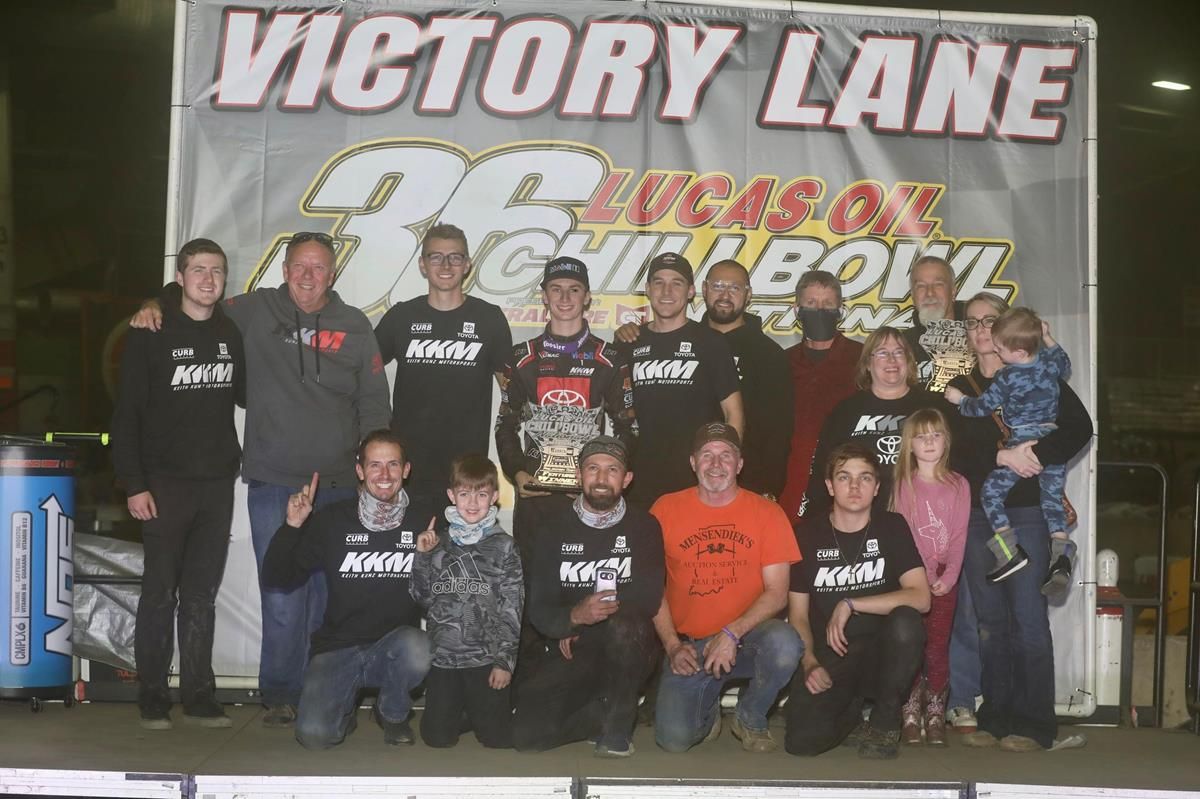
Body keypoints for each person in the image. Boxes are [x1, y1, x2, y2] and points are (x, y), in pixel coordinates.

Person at [131, 230, 391, 727]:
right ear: (285, 270)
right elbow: (197, 295)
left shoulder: (355, 325)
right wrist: (155, 301)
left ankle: (326, 693)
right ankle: (280, 693)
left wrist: (369, 470)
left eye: (318, 267)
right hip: (273, 480)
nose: (308, 275)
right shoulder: (254, 309)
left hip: (338, 484)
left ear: (332, 274)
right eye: (299, 266)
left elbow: (374, 403)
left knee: (328, 596)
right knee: (282, 594)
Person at [947, 292, 1092, 752]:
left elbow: (1079, 428)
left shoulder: (1039, 372)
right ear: (967, 335)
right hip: (975, 514)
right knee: (989, 621)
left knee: (1028, 619)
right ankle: (995, 716)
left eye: (992, 319)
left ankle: (1034, 725)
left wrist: (1030, 456)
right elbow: (948, 454)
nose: (983, 328)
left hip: (1028, 510)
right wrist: (998, 454)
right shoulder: (960, 387)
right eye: (972, 323)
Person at [111, 238, 245, 730]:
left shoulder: (232, 334)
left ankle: (199, 694)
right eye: (198, 270)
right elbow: (127, 414)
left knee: (200, 596)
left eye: (217, 271)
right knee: (159, 593)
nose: (208, 279)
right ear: (181, 278)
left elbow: (251, 395)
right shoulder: (152, 330)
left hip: (215, 484)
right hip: (163, 485)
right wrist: (134, 483)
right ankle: (151, 693)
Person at [262, 430, 433, 749]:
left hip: (393, 647)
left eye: (393, 465)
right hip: (337, 647)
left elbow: (440, 592)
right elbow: (278, 578)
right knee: (314, 736)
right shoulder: (332, 520)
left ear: (406, 470)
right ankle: (344, 708)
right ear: (359, 470)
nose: (384, 475)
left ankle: (393, 713)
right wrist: (292, 527)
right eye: (375, 465)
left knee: (419, 646)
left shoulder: (424, 520)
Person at [651, 422, 802, 754]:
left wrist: (732, 633)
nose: (716, 464)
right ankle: (707, 711)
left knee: (786, 643)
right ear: (693, 462)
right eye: (707, 455)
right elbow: (652, 589)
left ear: (740, 464)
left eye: (725, 455)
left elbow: (778, 592)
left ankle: (750, 715)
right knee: (673, 740)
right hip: (691, 647)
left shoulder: (767, 513)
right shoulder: (665, 509)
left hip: (749, 640)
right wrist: (673, 646)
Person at [512, 436, 664, 758]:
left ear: (627, 479)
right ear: (580, 476)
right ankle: (597, 716)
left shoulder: (645, 526)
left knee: (628, 627)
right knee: (526, 735)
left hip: (626, 648)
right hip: (570, 649)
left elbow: (649, 597)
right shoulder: (552, 528)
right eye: (593, 468)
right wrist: (572, 618)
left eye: (612, 470)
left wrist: (586, 623)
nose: (601, 478)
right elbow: (539, 605)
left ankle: (617, 730)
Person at [784, 443, 930, 760]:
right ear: (829, 486)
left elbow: (921, 597)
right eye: (844, 477)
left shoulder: (892, 527)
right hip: (834, 651)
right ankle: (850, 713)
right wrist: (808, 661)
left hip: (883, 652)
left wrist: (851, 603)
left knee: (907, 621)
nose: (854, 487)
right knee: (802, 742)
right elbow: (797, 615)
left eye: (864, 478)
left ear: (877, 487)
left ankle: (885, 718)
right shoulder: (806, 535)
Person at [495, 256, 635, 559]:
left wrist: (601, 477)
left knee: (586, 584)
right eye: (556, 289)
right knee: (534, 590)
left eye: (574, 289)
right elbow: (505, 425)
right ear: (544, 296)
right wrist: (517, 473)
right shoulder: (521, 358)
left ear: (587, 297)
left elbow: (627, 428)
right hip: (536, 496)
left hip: (589, 496)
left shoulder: (610, 359)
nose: (565, 297)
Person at [374, 223, 512, 505]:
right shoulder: (401, 317)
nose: (446, 264)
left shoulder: (489, 319)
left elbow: (510, 392)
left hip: (466, 472)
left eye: (455, 257)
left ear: (467, 265)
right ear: (423, 265)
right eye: (436, 257)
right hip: (407, 469)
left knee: (461, 550)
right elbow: (362, 375)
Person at [945, 309, 1073, 590]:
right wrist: (1048, 337)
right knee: (1051, 500)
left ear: (1017, 351)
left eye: (1001, 349)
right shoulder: (1049, 366)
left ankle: (1008, 551)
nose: (998, 354)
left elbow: (981, 407)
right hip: (1050, 439)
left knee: (990, 493)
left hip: (1022, 440)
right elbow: (1065, 364)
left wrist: (959, 399)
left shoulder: (1008, 377)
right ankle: (1062, 555)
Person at [410, 454, 522, 749]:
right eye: (464, 494)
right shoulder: (438, 543)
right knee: (436, 738)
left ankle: (484, 711)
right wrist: (421, 557)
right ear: (451, 496)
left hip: (486, 661)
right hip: (444, 660)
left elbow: (512, 608)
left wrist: (504, 662)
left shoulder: (505, 546)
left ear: (494, 497)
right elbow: (421, 598)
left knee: (497, 739)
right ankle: (463, 711)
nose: (472, 503)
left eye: (482, 494)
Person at [619, 253, 743, 505]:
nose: (667, 291)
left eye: (676, 283)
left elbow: (734, 413)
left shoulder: (711, 342)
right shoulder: (628, 342)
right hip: (639, 479)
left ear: (690, 292)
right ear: (647, 289)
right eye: (658, 282)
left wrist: (725, 471)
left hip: (694, 479)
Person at [798, 326, 942, 520]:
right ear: (867, 363)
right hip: (862, 519)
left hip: (925, 516)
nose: (892, 360)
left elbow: (954, 466)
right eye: (882, 353)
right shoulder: (846, 411)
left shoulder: (934, 407)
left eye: (898, 352)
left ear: (908, 360)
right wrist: (815, 518)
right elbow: (823, 468)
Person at [889, 409, 969, 746]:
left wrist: (949, 575)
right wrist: (920, 576)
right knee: (911, 646)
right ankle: (909, 708)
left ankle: (935, 709)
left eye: (936, 435)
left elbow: (959, 534)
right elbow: (902, 534)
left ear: (946, 440)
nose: (930, 442)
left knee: (937, 646)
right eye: (922, 436)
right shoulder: (903, 485)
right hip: (911, 579)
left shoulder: (959, 484)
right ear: (910, 445)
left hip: (943, 579)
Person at [779, 270, 863, 519]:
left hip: (848, 475)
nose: (819, 310)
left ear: (840, 310)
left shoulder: (862, 358)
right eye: (811, 303)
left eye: (828, 304)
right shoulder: (781, 362)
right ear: (797, 310)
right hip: (791, 478)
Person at [904, 255, 975, 392]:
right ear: (913, 295)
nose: (930, 293)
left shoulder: (981, 335)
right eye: (921, 286)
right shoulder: (902, 344)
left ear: (953, 291)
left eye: (938, 284)